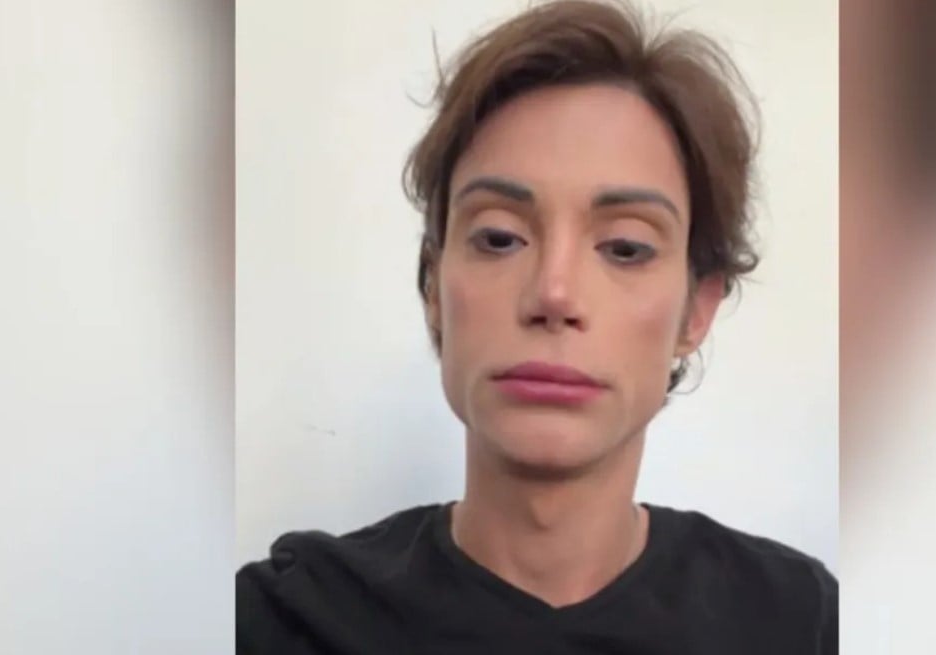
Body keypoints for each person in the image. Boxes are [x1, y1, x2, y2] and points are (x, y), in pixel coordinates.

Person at [237, 1, 837, 652]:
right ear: (434, 286)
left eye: (625, 247)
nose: (554, 293)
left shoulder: (799, 622)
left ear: (697, 310)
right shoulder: (281, 619)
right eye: (499, 238)